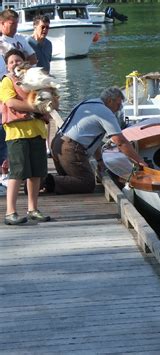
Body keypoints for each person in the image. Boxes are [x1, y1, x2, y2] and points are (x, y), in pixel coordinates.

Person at [49, 87, 147, 194]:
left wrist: (99, 160)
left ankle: (45, 182)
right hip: (70, 148)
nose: (119, 108)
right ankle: (43, 181)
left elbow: (93, 137)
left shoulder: (87, 103)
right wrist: (139, 161)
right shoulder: (105, 112)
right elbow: (120, 141)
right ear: (110, 101)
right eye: (118, 104)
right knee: (86, 183)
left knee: (69, 178)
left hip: (57, 144)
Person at [0, 49, 53, 225]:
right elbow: (10, 102)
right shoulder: (6, 81)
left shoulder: (35, 80)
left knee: (36, 173)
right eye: (11, 62)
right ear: (7, 65)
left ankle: (33, 209)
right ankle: (10, 212)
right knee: (17, 173)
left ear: (24, 63)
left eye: (18, 61)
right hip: (17, 134)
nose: (15, 64)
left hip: (37, 132)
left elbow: (48, 100)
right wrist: (35, 107)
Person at [27, 15, 53, 156]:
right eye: (42, 27)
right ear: (35, 27)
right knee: (32, 115)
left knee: (46, 115)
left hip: (45, 83)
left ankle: (47, 145)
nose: (45, 30)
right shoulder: (27, 43)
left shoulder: (49, 44)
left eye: (47, 27)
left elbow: (48, 63)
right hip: (31, 84)